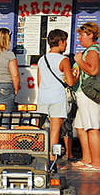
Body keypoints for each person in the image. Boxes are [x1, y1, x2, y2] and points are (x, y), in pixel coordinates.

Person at [36, 29, 78, 159]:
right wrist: (77, 75)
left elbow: (39, 81)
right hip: (57, 97)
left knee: (42, 127)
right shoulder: (63, 60)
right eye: (65, 42)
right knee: (55, 129)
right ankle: (52, 156)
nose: (65, 45)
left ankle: (40, 152)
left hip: (43, 96)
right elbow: (70, 82)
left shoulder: (42, 59)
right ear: (60, 42)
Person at [71, 22, 100, 171]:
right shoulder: (89, 50)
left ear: (90, 35)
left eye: (82, 35)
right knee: (80, 127)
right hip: (82, 93)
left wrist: (79, 61)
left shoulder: (93, 51)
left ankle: (96, 162)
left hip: (88, 94)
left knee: (92, 126)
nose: (79, 39)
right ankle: (87, 158)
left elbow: (93, 70)